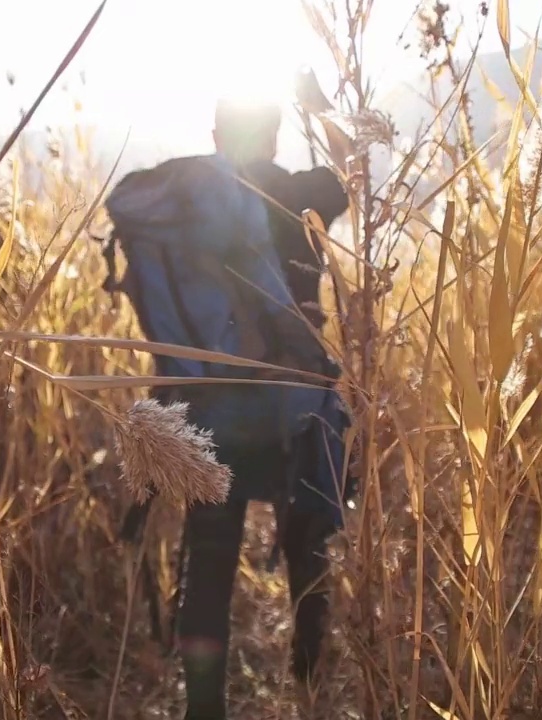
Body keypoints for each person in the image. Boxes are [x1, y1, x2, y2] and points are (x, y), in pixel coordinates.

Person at [166, 71, 357, 719]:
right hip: (298, 414)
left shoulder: (191, 208)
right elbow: (347, 172)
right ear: (276, 137)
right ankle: (309, 694)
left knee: (210, 565)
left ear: (217, 138)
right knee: (309, 560)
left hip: (215, 411)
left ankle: (203, 709)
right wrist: (319, 113)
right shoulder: (308, 196)